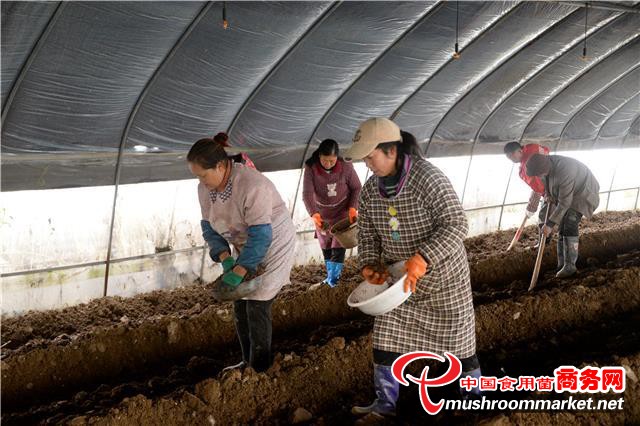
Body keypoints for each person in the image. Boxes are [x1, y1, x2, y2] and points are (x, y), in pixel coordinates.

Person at [344, 118, 481, 418]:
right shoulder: (370, 192)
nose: (368, 165)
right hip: (400, 284)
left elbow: (457, 224)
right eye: (365, 159)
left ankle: (473, 403)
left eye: (371, 156)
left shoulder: (427, 178)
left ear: (391, 151)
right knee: (386, 336)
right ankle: (385, 405)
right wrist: (369, 263)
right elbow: (366, 234)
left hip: (443, 281)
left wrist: (424, 258)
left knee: (459, 345)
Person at [187, 138, 295, 372]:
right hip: (244, 240)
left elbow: (261, 235)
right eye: (197, 176)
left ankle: (260, 367)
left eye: (202, 175)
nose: (200, 181)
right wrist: (225, 258)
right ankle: (247, 361)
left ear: (220, 166)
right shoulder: (204, 189)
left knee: (257, 301)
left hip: (272, 238)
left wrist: (241, 268)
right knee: (239, 300)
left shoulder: (252, 185)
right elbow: (208, 226)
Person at [526, 154, 600, 278]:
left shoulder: (565, 170)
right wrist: (548, 194)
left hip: (583, 193)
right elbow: (546, 180)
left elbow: (565, 202)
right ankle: (562, 265)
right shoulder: (545, 166)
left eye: (539, 174)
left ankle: (570, 265)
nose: (538, 177)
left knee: (569, 222)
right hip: (568, 191)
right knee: (562, 226)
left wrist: (549, 225)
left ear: (544, 169)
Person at [302, 139, 362, 289]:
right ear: (319, 156)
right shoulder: (311, 168)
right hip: (322, 214)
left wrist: (352, 208)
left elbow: (357, 187)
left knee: (338, 245)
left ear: (337, 157)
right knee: (326, 245)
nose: (328, 164)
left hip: (341, 212)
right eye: (325, 160)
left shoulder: (346, 167)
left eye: (332, 160)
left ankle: (334, 281)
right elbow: (307, 194)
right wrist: (314, 214)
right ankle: (330, 277)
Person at [504, 142, 551, 244]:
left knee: (543, 218)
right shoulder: (532, 147)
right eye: (508, 157)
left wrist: (531, 207)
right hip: (551, 184)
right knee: (550, 216)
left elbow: (538, 188)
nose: (510, 159)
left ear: (519, 151)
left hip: (551, 190)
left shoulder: (528, 164)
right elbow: (546, 149)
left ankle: (544, 244)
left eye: (511, 156)